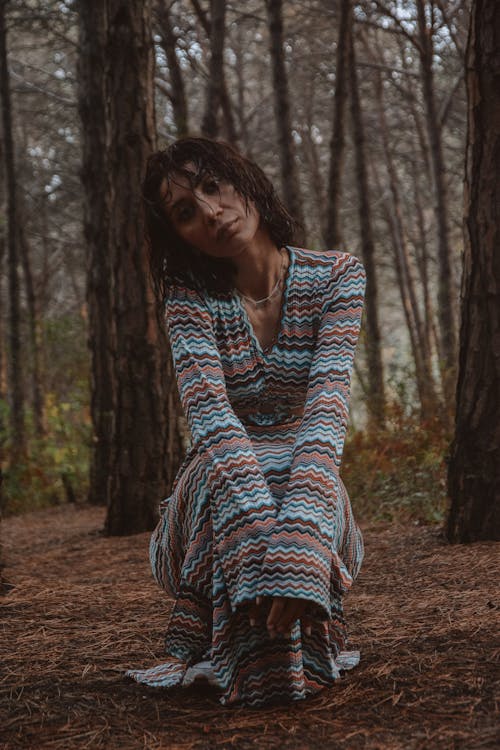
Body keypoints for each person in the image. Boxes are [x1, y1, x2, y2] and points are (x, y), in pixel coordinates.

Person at [127, 136, 366, 707]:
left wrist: (301, 536)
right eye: (186, 211)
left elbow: (327, 409)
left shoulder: (337, 276)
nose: (210, 211)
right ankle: (283, 664)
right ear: (177, 235)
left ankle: (256, 664)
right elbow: (213, 421)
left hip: (310, 503)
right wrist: (268, 547)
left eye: (213, 186)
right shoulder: (188, 296)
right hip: (211, 501)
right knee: (227, 469)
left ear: (246, 183)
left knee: (305, 476)